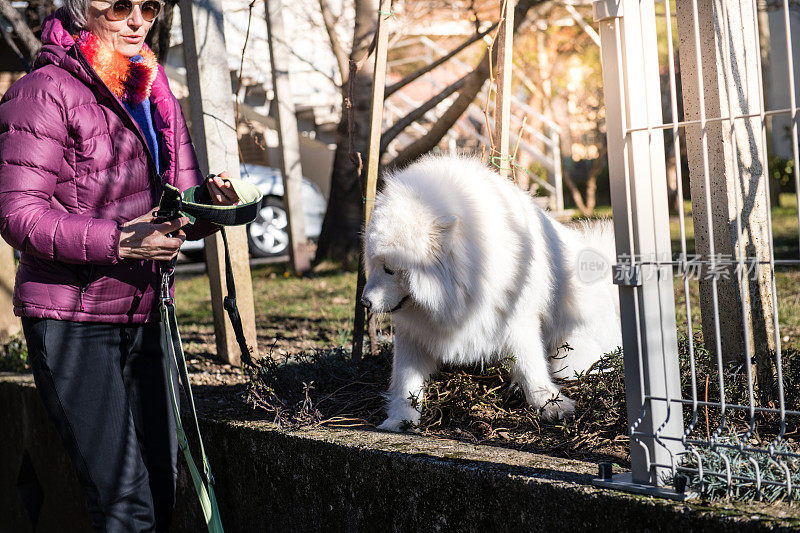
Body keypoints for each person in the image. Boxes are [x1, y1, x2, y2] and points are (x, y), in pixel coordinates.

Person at [0, 1, 239, 530]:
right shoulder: (43, 91)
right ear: (82, 8)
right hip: (73, 321)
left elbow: (173, 205)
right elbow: (20, 215)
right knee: (125, 502)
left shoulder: (153, 88)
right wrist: (123, 242)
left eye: (148, 7)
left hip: (146, 312)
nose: (137, 20)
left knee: (163, 486)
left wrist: (207, 206)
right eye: (120, 6)